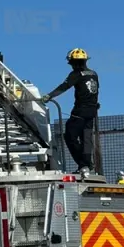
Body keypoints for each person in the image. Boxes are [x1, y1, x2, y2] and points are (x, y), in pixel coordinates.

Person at [43, 48, 100, 177]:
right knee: (86, 139)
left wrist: (49, 96)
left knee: (70, 136)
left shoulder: (76, 74)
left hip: (79, 112)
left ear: (73, 62)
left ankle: (84, 164)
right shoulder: (93, 74)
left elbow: (64, 87)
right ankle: (86, 165)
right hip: (92, 112)